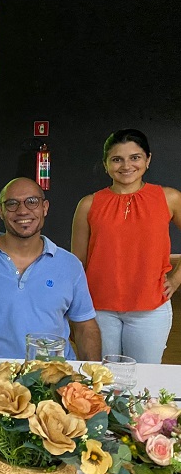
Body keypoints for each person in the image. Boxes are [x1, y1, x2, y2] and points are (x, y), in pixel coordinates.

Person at [0, 177, 101, 361]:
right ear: (1, 211)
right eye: (12, 204)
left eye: (32, 202)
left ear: (44, 207)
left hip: (53, 378)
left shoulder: (69, 265)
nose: (22, 211)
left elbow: (85, 326)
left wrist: (90, 377)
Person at [72, 129, 181, 363]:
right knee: (103, 381)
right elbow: (77, 261)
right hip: (99, 309)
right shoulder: (89, 204)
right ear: (105, 164)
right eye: (117, 159)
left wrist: (176, 279)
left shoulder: (168, 198)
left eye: (135, 157)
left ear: (148, 159)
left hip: (150, 308)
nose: (126, 165)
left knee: (142, 380)